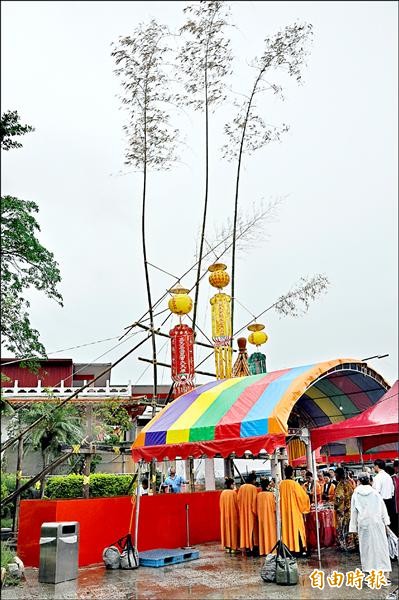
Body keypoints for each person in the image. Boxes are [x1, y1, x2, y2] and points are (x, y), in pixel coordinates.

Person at [349, 472, 392, 582]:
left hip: (364, 524)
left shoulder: (356, 494)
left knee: (366, 549)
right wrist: (386, 522)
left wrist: (353, 528)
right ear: (369, 480)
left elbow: (353, 512)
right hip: (377, 523)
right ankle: (384, 575)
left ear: (358, 481)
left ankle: (369, 575)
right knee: (381, 548)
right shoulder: (375, 493)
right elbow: (383, 509)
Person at [279, 465, 310, 557]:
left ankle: (287, 548)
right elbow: (303, 498)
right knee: (296, 529)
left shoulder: (280, 484)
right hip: (294, 512)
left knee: (286, 530)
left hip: (284, 512)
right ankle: (297, 548)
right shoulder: (294, 484)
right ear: (292, 473)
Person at [333, 467, 357, 552]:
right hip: (350, 509)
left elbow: (339, 498)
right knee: (350, 527)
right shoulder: (348, 483)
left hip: (342, 511)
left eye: (335, 475)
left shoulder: (340, 485)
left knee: (343, 528)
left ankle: (345, 545)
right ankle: (352, 544)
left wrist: (335, 506)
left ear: (338, 475)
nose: (335, 477)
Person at [373, 459, 397, 535]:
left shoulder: (378, 477)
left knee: (383, 526)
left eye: (374, 466)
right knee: (391, 524)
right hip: (391, 502)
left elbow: (376, 492)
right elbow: (392, 491)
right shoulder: (388, 476)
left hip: (382, 503)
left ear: (377, 466)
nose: (374, 468)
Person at [237, 473, 259, 555]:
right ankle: (251, 547)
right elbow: (254, 502)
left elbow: (238, 500)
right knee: (251, 529)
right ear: (253, 480)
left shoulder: (242, 487)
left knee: (244, 529)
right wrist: (256, 512)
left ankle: (244, 546)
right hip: (251, 512)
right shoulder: (253, 488)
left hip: (243, 512)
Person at [257, 479, 277, 556]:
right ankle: (272, 550)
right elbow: (274, 507)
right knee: (271, 533)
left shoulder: (258, 495)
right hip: (270, 517)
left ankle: (263, 550)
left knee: (263, 533)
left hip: (261, 518)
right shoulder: (271, 495)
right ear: (267, 485)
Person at [219, 477, 239, 554]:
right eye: (233, 484)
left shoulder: (223, 493)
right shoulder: (233, 493)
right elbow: (237, 504)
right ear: (231, 484)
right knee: (233, 530)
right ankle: (233, 547)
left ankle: (227, 547)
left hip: (224, 515)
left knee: (226, 530)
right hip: (232, 514)